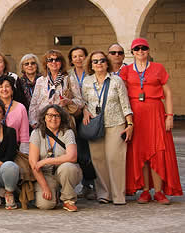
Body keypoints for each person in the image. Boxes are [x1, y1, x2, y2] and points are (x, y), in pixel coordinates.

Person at [119, 38, 182, 204]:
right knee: (140, 152)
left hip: (155, 114)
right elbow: (121, 94)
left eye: (143, 48)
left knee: (158, 151)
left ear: (148, 50)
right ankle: (146, 190)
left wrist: (169, 115)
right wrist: (126, 119)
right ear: (132, 52)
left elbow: (168, 93)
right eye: (137, 49)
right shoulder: (126, 70)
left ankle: (159, 192)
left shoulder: (158, 68)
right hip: (136, 115)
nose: (140, 51)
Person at [82, 50, 133, 205]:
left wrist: (130, 123)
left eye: (102, 60)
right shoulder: (87, 82)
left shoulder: (116, 80)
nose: (99, 64)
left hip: (115, 123)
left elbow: (125, 103)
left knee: (114, 159)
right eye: (95, 61)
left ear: (107, 63)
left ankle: (118, 195)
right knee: (98, 159)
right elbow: (83, 102)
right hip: (95, 124)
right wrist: (85, 111)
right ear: (91, 65)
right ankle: (104, 193)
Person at [28, 105, 82, 211]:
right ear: (44, 117)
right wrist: (45, 187)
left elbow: (72, 157)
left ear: (61, 118)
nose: (53, 119)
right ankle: (55, 193)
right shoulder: (36, 133)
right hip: (45, 174)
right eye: (50, 115)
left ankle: (68, 200)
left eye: (57, 116)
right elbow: (33, 163)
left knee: (68, 167)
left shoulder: (67, 132)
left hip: (63, 171)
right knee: (46, 205)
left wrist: (46, 161)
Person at [28, 50, 83, 128]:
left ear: (61, 63)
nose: (53, 62)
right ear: (46, 63)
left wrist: (69, 101)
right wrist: (33, 121)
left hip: (63, 121)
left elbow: (80, 102)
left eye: (57, 60)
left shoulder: (69, 79)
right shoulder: (41, 80)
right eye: (50, 60)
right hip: (44, 122)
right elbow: (34, 103)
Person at [0, 76, 30, 154]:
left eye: (7, 86)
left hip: (13, 149)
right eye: (1, 87)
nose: (4, 89)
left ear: (12, 90)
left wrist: (24, 154)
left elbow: (24, 136)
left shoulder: (21, 108)